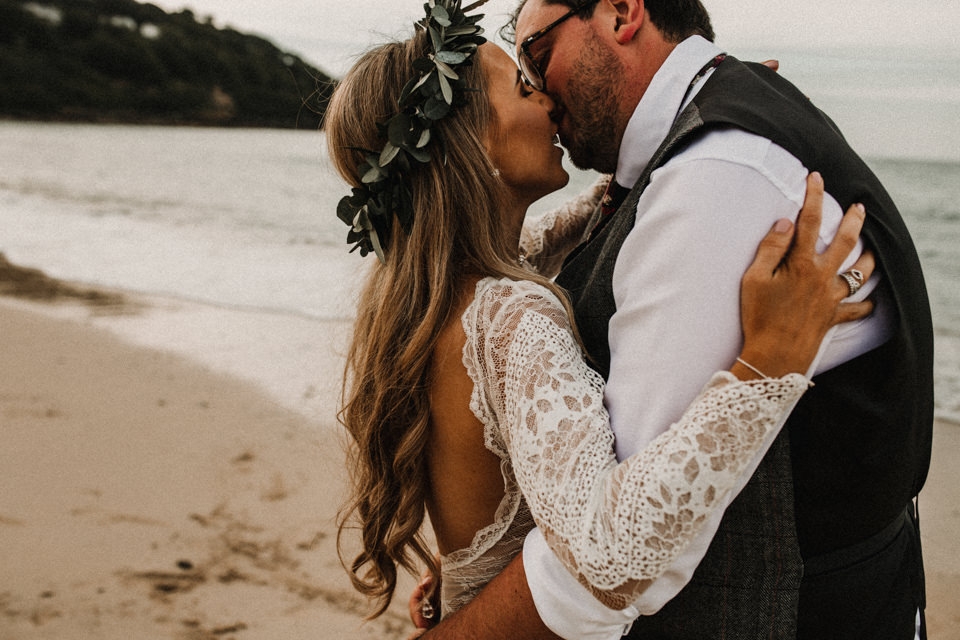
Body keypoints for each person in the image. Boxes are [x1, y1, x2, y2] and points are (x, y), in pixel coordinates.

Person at [326, 0, 878, 636]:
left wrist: (688, 113)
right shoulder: (511, 315)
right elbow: (612, 555)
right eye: (522, 82)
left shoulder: (438, 292)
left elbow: (554, 232)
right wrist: (768, 365)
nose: (547, 102)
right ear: (475, 142)